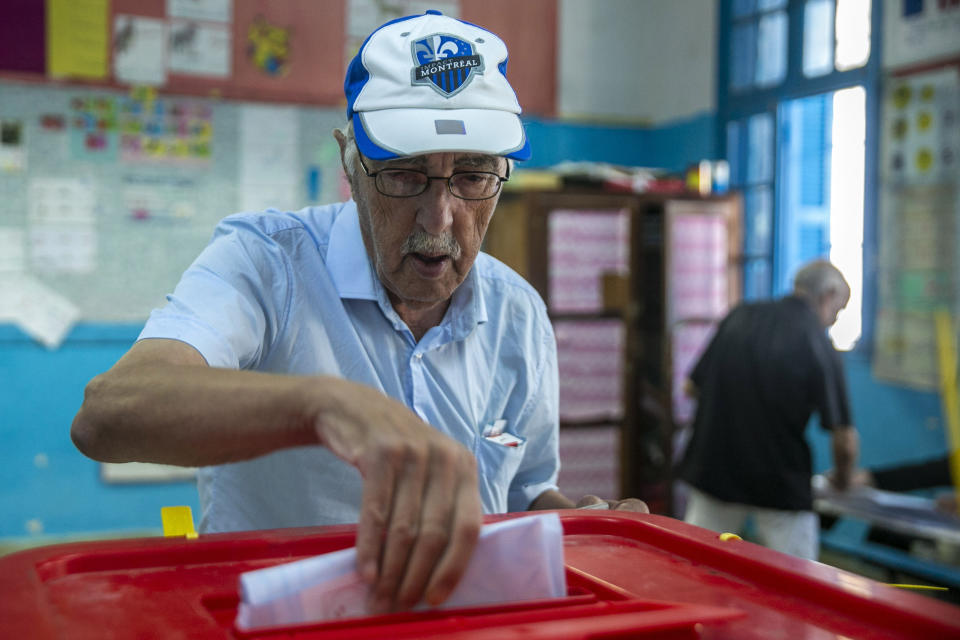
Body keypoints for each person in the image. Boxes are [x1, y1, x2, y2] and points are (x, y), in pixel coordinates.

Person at [71, 11, 646, 616]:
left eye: (474, 176)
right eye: (404, 176)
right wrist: (323, 405)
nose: (440, 220)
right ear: (350, 162)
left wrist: (585, 527)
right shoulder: (268, 263)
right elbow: (107, 414)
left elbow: (525, 491)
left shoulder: (518, 313)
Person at [678, 259, 859, 560]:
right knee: (799, 582)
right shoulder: (817, 340)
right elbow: (844, 438)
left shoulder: (740, 315)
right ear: (827, 295)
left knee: (696, 565)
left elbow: (691, 387)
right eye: (837, 312)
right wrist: (842, 479)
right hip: (779, 480)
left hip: (715, 469)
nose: (832, 322)